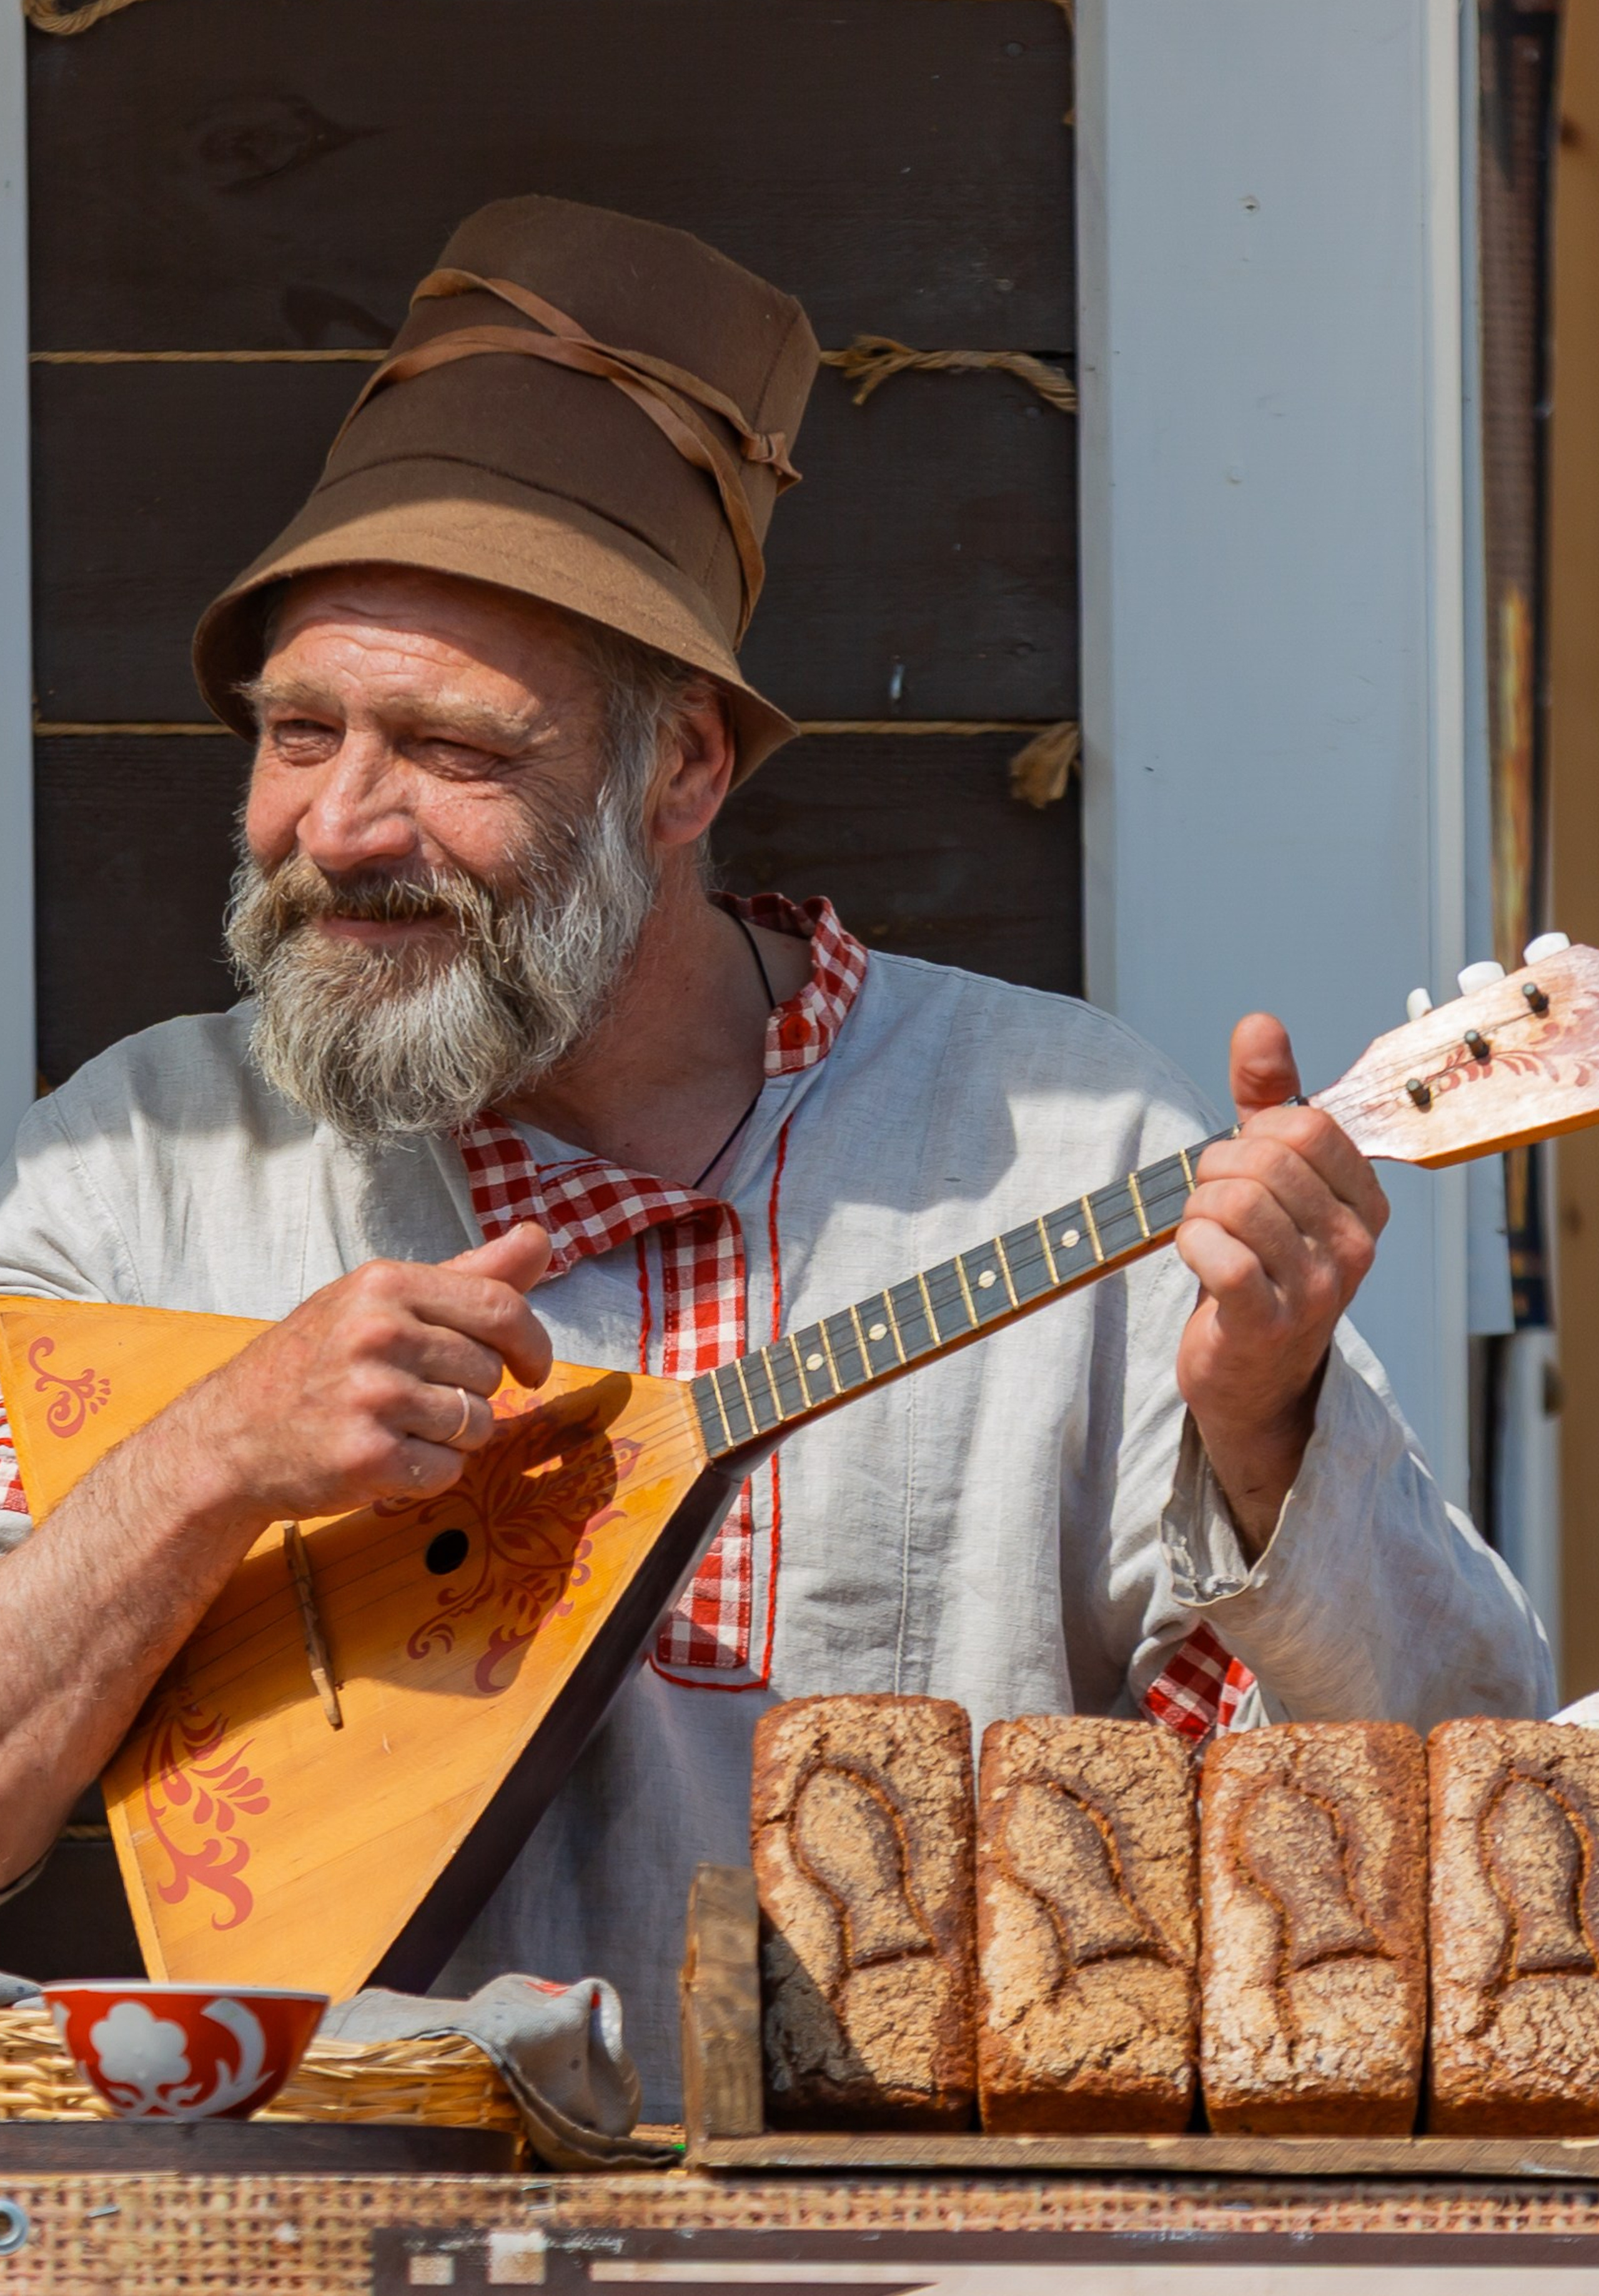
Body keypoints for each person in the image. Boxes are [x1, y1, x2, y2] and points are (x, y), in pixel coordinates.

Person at [0, 195, 1550, 2110]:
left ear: (682, 773)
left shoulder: (1069, 1145)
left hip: (919, 2242)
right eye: (298, 731)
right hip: (353, 2231)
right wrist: (209, 1462)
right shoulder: (131, 1173)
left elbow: (1466, 1772)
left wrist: (1269, 1434)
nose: (339, 823)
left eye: (452, 751)